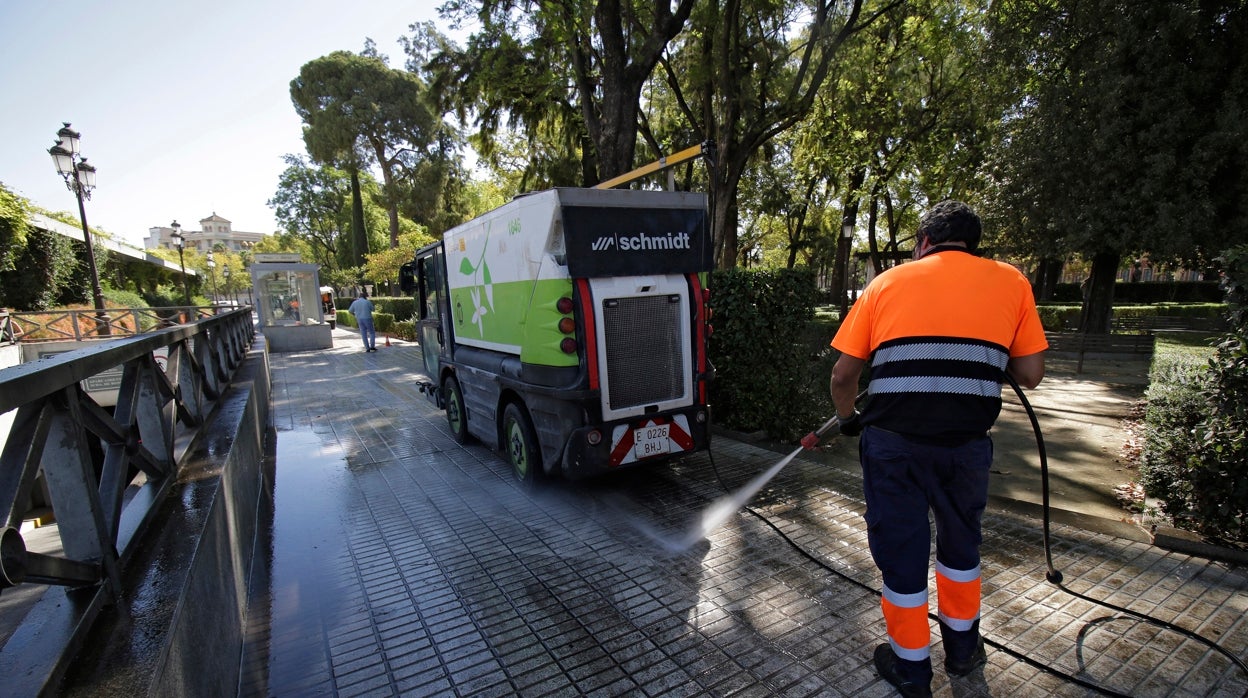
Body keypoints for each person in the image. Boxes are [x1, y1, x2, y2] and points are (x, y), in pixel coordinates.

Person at [827, 201, 1047, 697]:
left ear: (923, 242)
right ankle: (964, 651)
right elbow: (1030, 374)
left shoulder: (886, 282)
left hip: (893, 448)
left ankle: (911, 668)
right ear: (974, 243)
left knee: (902, 554)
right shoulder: (1011, 282)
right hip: (965, 449)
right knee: (960, 548)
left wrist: (846, 421)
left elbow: (844, 375)